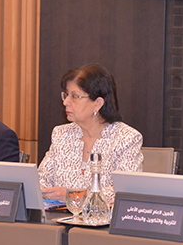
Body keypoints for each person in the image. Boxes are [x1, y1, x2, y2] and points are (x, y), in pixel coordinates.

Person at [38, 63, 143, 204]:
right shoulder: (61, 134)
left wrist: (74, 195)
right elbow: (41, 179)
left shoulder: (126, 138)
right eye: (66, 95)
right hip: (60, 215)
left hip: (103, 217)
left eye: (75, 96)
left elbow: (126, 191)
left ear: (97, 103)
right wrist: (45, 191)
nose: (66, 102)